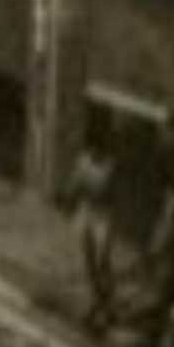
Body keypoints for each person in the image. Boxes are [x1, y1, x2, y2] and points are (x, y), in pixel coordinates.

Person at [66, 127, 119, 331]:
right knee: (89, 261)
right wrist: (71, 198)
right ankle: (97, 301)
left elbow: (104, 190)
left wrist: (83, 186)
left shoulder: (110, 166)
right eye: (92, 149)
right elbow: (74, 184)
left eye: (98, 150)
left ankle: (107, 304)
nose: (94, 153)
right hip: (86, 212)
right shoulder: (83, 161)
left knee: (101, 261)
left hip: (103, 216)